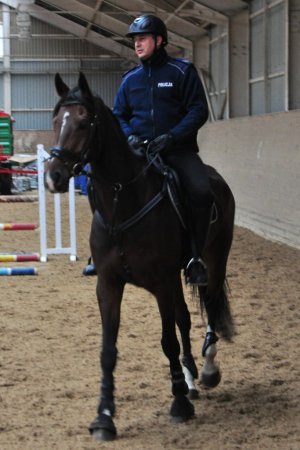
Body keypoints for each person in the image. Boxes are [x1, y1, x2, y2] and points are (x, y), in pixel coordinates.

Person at [113, 14, 213, 286]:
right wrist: (130, 136)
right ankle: (105, 253)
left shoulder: (182, 71)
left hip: (177, 151)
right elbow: (119, 115)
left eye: (142, 38)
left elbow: (198, 111)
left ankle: (195, 258)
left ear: (159, 40)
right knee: (108, 186)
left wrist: (172, 137)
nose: (137, 44)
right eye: (134, 39)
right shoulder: (129, 79)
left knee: (202, 192)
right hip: (140, 153)